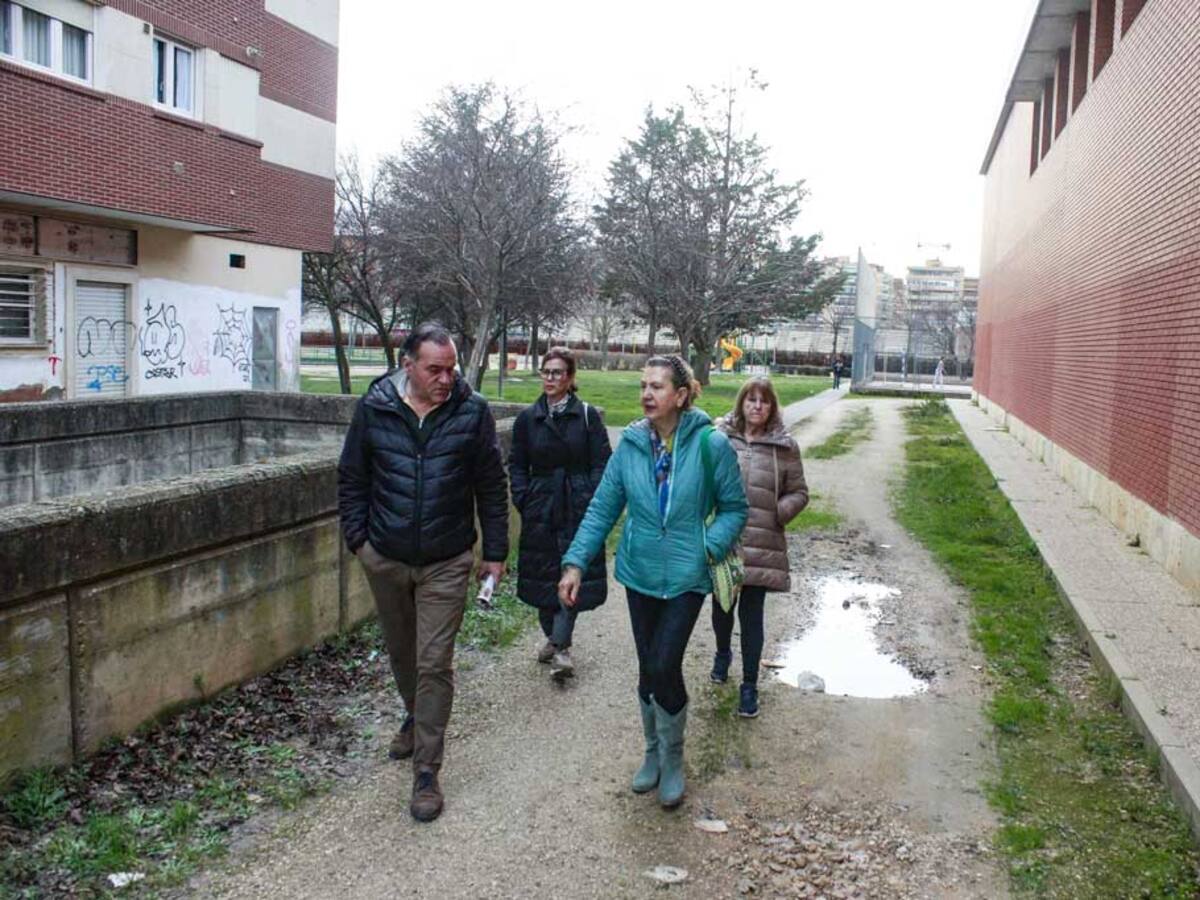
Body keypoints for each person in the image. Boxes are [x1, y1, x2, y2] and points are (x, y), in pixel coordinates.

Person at [337, 322, 509, 823]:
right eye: (435, 369)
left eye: (451, 368)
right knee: (403, 653)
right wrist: (360, 543)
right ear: (407, 364)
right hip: (385, 556)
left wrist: (494, 553)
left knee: (434, 661)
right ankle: (416, 716)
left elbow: (491, 487)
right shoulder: (374, 409)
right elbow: (352, 477)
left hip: (447, 559)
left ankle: (427, 771)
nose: (446, 378)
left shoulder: (471, 413)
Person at [558, 355, 748, 808]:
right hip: (639, 573)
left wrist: (708, 545)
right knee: (648, 667)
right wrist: (575, 563)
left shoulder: (710, 445)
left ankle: (675, 759)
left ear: (680, 396)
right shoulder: (630, 445)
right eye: (644, 385)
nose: (646, 394)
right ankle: (652, 754)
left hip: (686, 576)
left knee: (665, 664)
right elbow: (603, 508)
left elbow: (735, 508)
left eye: (657, 387)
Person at [509, 347, 611, 681]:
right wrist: (524, 497)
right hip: (541, 505)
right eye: (546, 372)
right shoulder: (528, 418)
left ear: (570, 378)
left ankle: (561, 648)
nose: (551, 378)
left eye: (558, 373)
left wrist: (589, 494)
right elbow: (518, 463)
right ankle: (554, 638)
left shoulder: (586, 415)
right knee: (542, 576)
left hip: (577, 503)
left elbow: (601, 461)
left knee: (571, 570)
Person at [710, 377, 809, 717]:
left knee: (752, 615)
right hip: (726, 538)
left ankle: (749, 685)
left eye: (763, 401)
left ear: (771, 407)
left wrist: (780, 512)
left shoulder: (784, 446)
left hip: (763, 541)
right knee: (723, 606)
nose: (756, 406)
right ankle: (723, 654)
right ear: (741, 403)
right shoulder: (720, 437)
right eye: (751, 400)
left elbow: (799, 491)